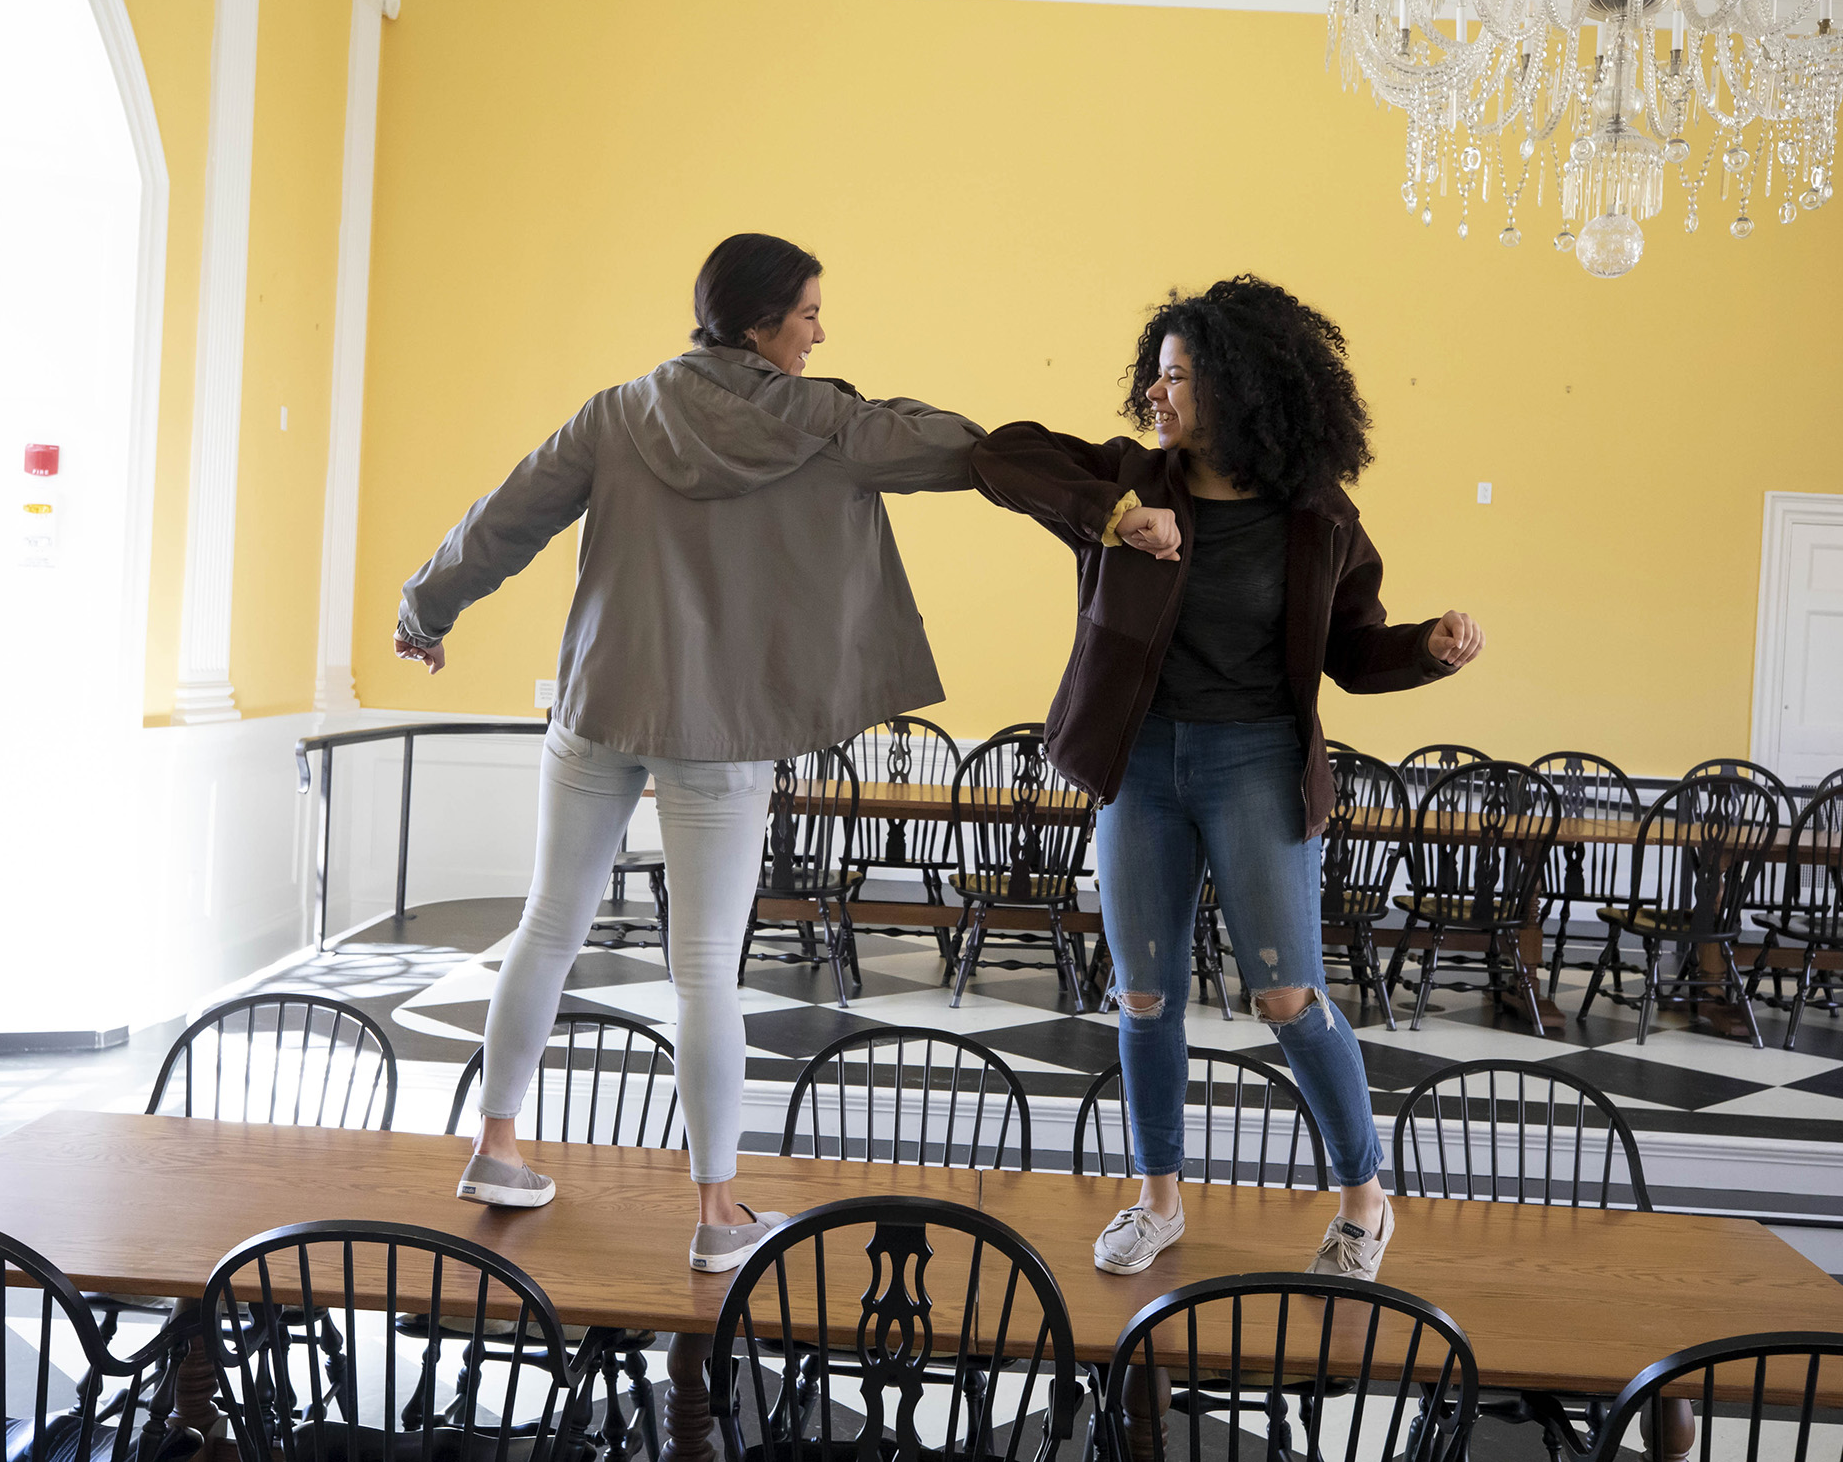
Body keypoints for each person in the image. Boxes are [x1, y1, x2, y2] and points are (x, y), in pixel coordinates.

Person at [393, 233, 983, 1271]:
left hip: (600, 706)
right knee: (706, 965)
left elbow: (505, 518)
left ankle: (495, 1145)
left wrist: (425, 607)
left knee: (545, 923)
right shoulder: (822, 422)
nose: (818, 331)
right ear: (759, 323)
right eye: (806, 312)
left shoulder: (619, 412)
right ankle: (715, 1210)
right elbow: (951, 450)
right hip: (719, 735)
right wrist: (1080, 475)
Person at [971, 275, 1482, 1281]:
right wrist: (1114, 513)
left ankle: (1366, 1202)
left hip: (1255, 759)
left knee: (1287, 992)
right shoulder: (1132, 480)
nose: (1155, 394)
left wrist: (1426, 645)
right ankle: (1158, 1201)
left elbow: (1354, 649)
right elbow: (998, 455)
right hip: (1144, 759)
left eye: (1176, 376)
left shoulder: (1316, 517)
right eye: (1154, 374)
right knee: (1144, 995)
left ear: (1239, 389)